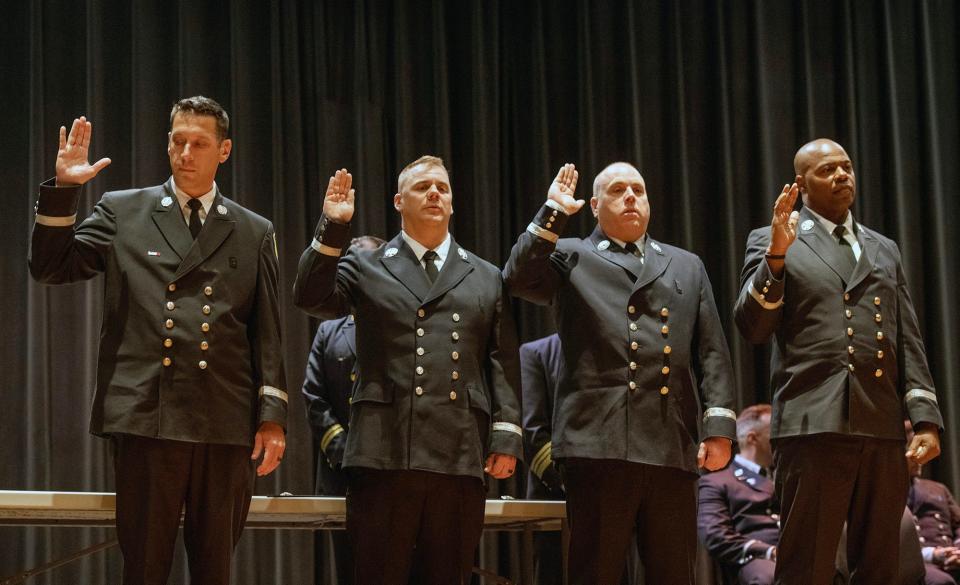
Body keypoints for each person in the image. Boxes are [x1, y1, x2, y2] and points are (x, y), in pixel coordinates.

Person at [28, 97, 287, 585]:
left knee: (215, 567)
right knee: (145, 566)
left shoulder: (254, 230)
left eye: (199, 143)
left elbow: (267, 331)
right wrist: (64, 190)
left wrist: (271, 417)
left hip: (223, 420)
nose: (186, 152)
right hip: (147, 414)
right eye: (177, 140)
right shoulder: (124, 210)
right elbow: (51, 267)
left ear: (224, 150)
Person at [292, 158, 524, 585]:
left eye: (442, 188)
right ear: (400, 201)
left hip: (457, 453)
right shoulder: (368, 265)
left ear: (453, 203)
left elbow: (501, 361)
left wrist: (506, 435)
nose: (435, 193)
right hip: (385, 451)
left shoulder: (486, 275)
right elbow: (309, 295)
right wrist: (333, 228)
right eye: (423, 187)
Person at [504, 162, 737, 584]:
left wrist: (718, 426)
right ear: (594, 205)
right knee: (595, 573)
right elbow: (517, 279)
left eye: (638, 190)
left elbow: (711, 351)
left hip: (670, 443)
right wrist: (552, 213)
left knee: (674, 574)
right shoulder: (571, 253)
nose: (630, 197)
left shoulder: (686, 265)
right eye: (617, 190)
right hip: (598, 445)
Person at [733, 138, 943, 585]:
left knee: (881, 565)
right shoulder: (774, 238)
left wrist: (924, 419)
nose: (842, 175)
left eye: (846, 167)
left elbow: (907, 338)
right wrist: (775, 256)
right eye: (827, 170)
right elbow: (752, 327)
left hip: (880, 425)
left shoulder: (882, 247)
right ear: (801, 184)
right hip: (813, 426)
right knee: (805, 565)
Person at [521, 333, 642, 585]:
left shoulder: (612, 349)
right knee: (555, 573)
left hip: (610, 491)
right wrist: (576, 481)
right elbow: (533, 434)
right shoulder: (536, 353)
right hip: (554, 495)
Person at [301, 235, 385, 585]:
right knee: (349, 570)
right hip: (341, 475)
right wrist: (345, 450)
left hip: (389, 470)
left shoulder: (401, 328)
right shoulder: (329, 331)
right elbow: (314, 396)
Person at [698, 404, 779, 585]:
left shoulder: (785, 478)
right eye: (774, 432)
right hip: (758, 559)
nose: (780, 438)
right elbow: (715, 535)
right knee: (769, 577)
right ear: (752, 438)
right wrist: (769, 551)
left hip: (797, 554)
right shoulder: (717, 482)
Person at [905, 421, 960, 585]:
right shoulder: (884, 491)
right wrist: (933, 555)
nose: (920, 459)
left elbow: (959, 524)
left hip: (953, 559)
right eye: (912, 451)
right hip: (920, 563)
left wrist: (958, 551)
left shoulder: (938, 488)